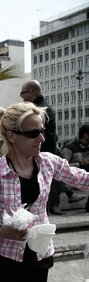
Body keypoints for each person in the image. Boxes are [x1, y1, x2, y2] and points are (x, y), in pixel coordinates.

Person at [0, 102, 89, 282]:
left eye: (42, 131)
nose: (41, 138)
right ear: (12, 136)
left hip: (39, 257)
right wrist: (0, 231)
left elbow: (81, 179)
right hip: (3, 260)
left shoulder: (48, 163)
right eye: (33, 133)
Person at [20, 80, 85, 214]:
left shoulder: (41, 109)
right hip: (45, 148)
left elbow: (41, 132)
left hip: (44, 149)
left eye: (23, 93)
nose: (21, 96)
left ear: (31, 92)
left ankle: (55, 203)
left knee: (51, 175)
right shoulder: (41, 107)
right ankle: (66, 195)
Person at [61, 124, 89, 212]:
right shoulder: (69, 148)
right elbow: (62, 167)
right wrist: (79, 164)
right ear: (85, 135)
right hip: (74, 175)